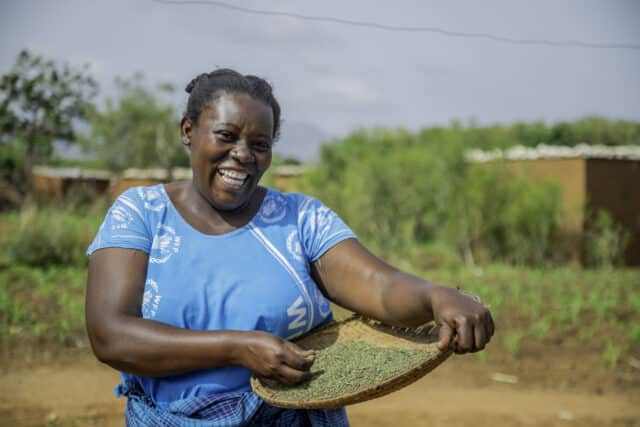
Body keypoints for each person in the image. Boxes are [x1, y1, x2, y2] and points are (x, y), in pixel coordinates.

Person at [85, 69, 494, 426]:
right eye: (226, 136)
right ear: (188, 130)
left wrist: (436, 296)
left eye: (259, 144)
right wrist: (237, 348)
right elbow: (110, 334)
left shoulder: (298, 218)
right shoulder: (140, 214)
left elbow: (378, 285)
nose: (242, 155)